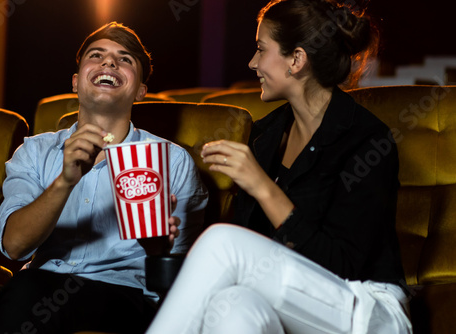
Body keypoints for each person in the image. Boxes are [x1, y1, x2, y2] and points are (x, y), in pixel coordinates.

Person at [146, 0, 413, 333]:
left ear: (297, 60)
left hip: (366, 306)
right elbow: (251, 252)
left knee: (221, 244)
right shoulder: (266, 137)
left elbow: (343, 265)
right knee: (232, 309)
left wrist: (263, 186)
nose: (252, 62)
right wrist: (162, 243)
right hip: (292, 303)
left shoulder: (367, 140)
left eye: (261, 49)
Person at [0, 22, 207, 334]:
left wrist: (158, 250)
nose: (109, 63)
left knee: (29, 292)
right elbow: (13, 246)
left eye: (125, 59)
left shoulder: (171, 161)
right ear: (76, 82)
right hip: (35, 284)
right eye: (97, 55)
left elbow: (181, 284)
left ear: (141, 91)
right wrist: (65, 181)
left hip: (124, 296)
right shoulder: (34, 152)